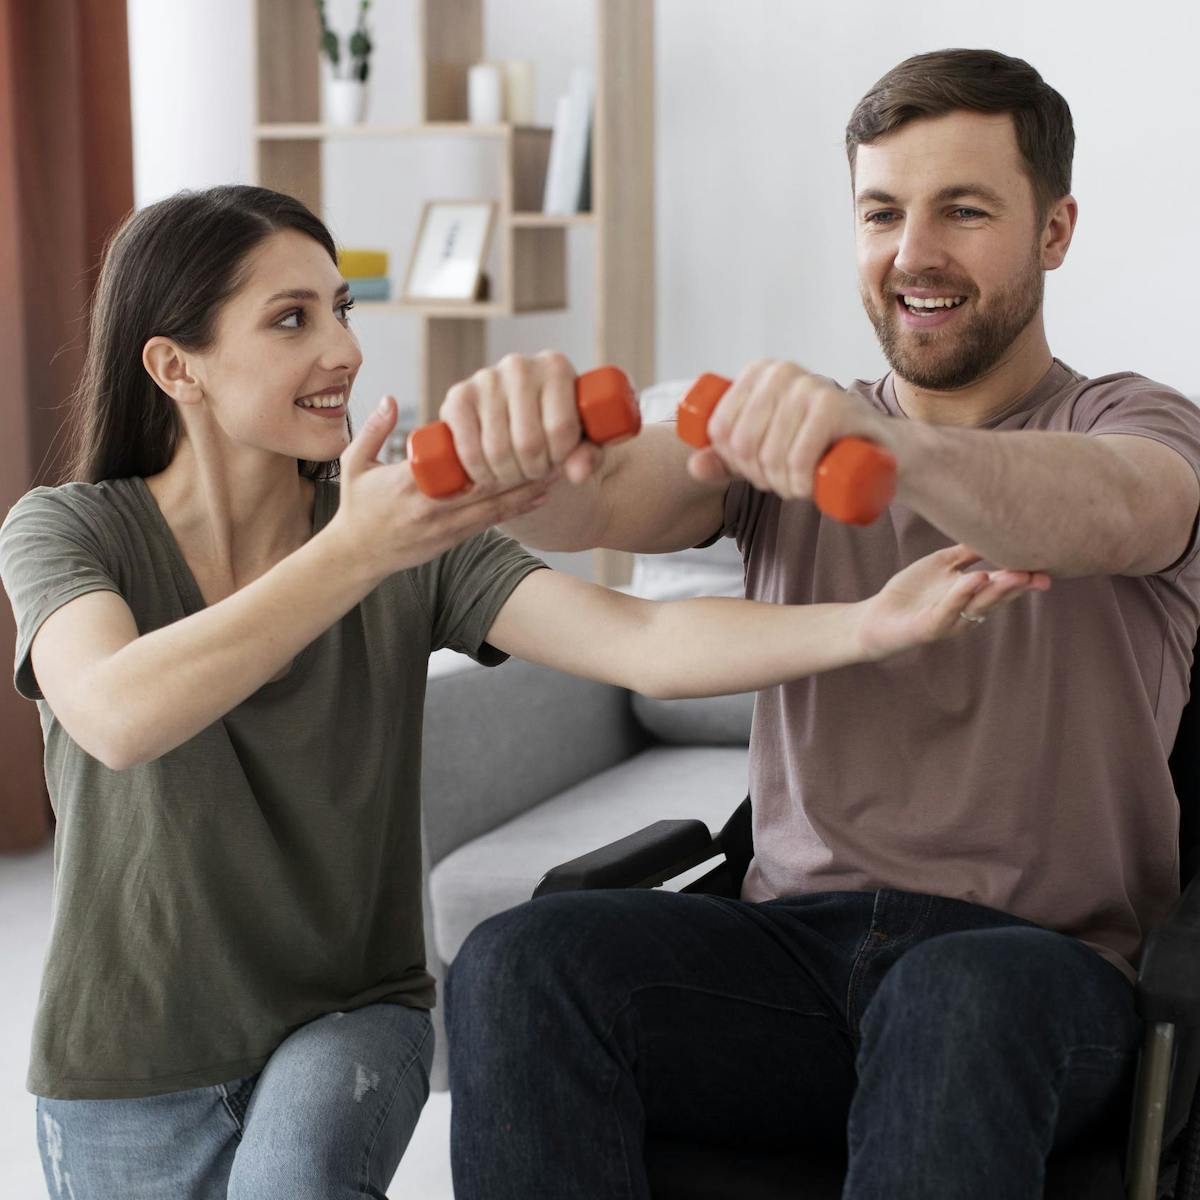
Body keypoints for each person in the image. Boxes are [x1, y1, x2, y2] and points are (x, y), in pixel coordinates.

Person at [0, 185, 1039, 1200]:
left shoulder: (404, 530)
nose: (345, 351)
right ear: (176, 366)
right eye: (291, 319)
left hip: (348, 1017)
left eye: (341, 309)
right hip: (124, 1061)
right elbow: (118, 715)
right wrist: (355, 554)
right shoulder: (68, 530)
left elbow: (645, 638)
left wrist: (866, 628)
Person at [441, 48, 1200, 1199]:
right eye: (883, 212)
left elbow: (1112, 508)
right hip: (790, 958)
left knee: (959, 998)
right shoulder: (786, 440)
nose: (914, 253)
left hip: (1041, 974)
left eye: (964, 210)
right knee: (518, 962)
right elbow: (615, 492)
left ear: (1055, 231)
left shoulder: (1136, 423)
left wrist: (896, 446)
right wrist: (527, 458)